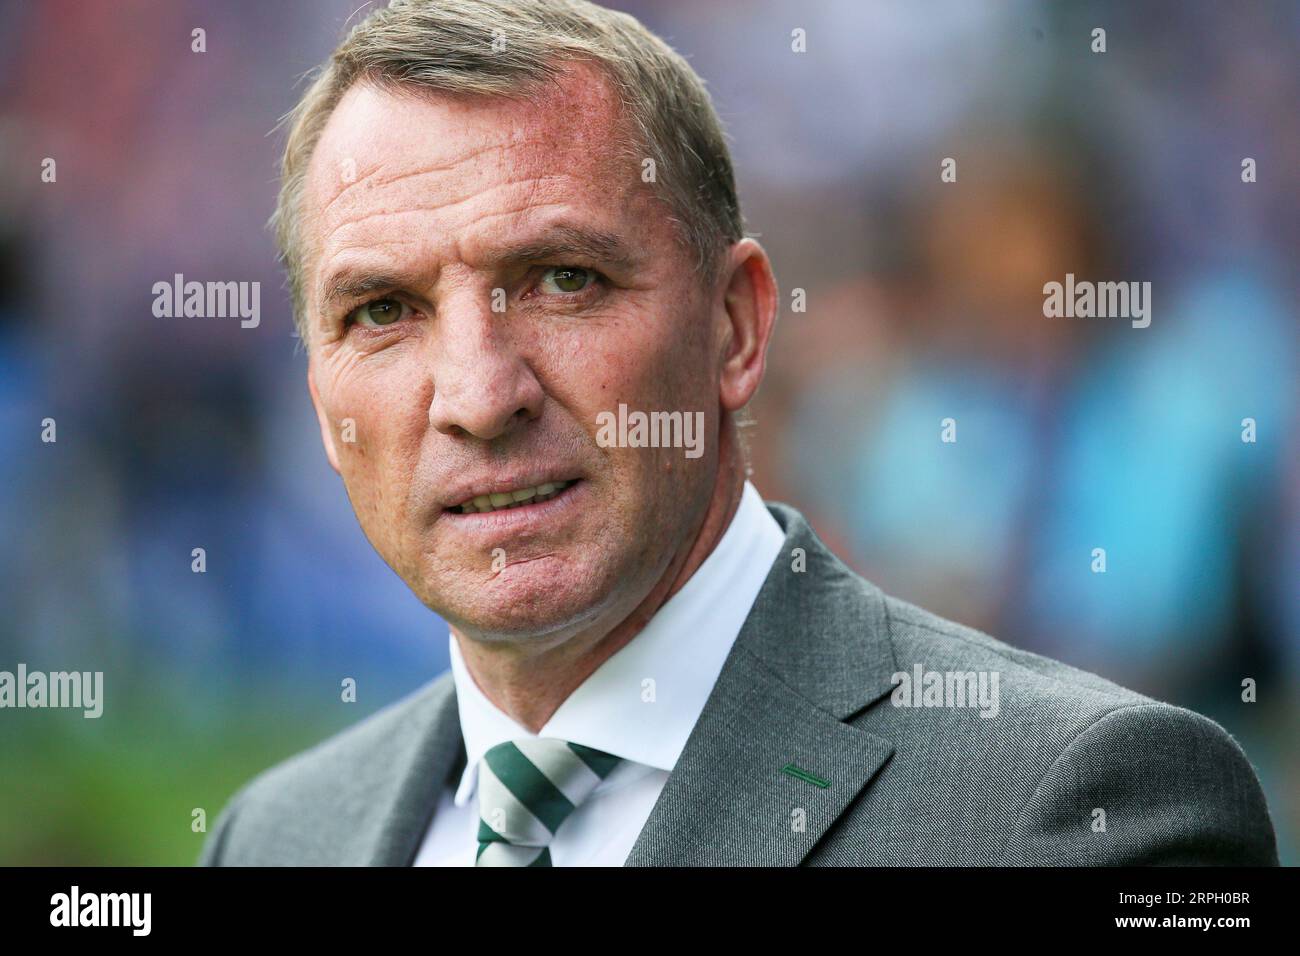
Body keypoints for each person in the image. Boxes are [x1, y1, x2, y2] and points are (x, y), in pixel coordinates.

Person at [199, 0, 1277, 866]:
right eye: (382, 310)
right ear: (321, 400)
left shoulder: (1080, 807)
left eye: (563, 280)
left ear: (735, 327)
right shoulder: (275, 835)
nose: (480, 396)